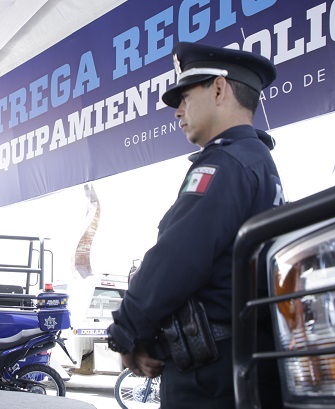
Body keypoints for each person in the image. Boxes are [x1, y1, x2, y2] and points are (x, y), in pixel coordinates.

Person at [106, 42, 286, 409]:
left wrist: (125, 334)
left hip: (210, 374)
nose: (178, 111)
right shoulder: (258, 161)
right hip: (243, 362)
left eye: (185, 97)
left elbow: (176, 257)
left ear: (219, 89)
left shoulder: (225, 163)